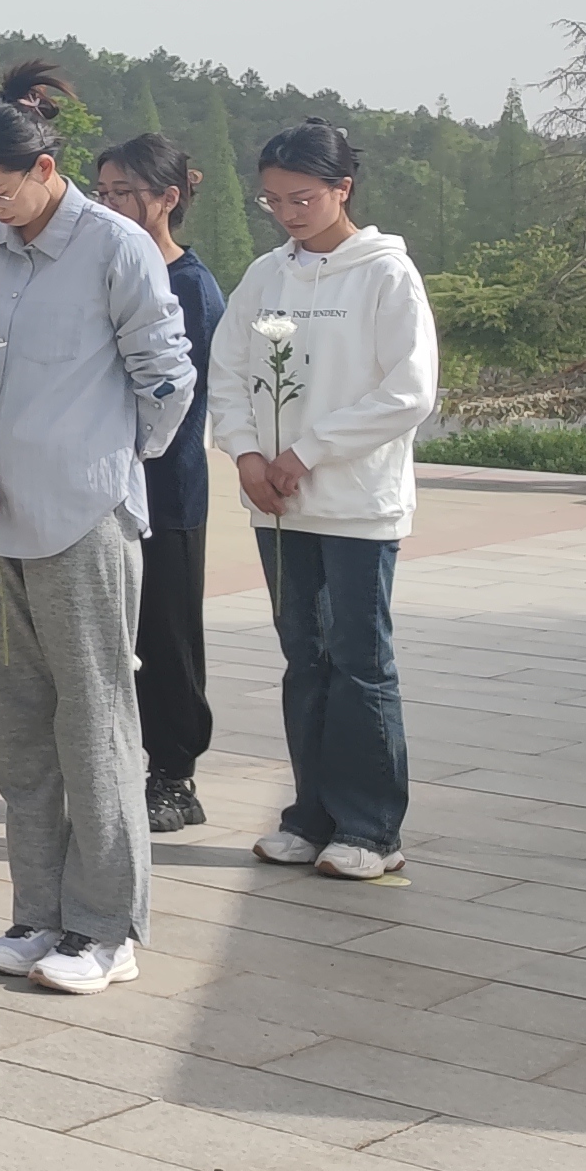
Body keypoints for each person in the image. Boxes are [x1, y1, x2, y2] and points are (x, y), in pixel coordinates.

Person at [0, 61, 196, 998]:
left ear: (45, 169)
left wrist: (103, 461)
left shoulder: (113, 246)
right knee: (18, 726)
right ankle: (37, 911)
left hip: (81, 521)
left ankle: (105, 925)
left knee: (93, 723)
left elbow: (166, 377)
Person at [209, 120, 434, 884]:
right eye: (272, 200)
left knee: (358, 661)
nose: (286, 213)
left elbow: (407, 391)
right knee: (303, 659)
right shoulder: (265, 275)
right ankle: (309, 816)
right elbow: (226, 370)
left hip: (355, 503)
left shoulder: (384, 274)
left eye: (300, 198)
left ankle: (371, 828)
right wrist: (245, 453)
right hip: (277, 503)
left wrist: (307, 451)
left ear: (342, 188)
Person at [93, 133, 224, 831]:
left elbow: (180, 395)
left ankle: (175, 774)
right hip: (105, 485)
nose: (109, 204)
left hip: (166, 488)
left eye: (124, 192)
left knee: (167, 637)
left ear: (168, 198)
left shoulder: (189, 285)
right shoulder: (106, 267)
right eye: (102, 192)